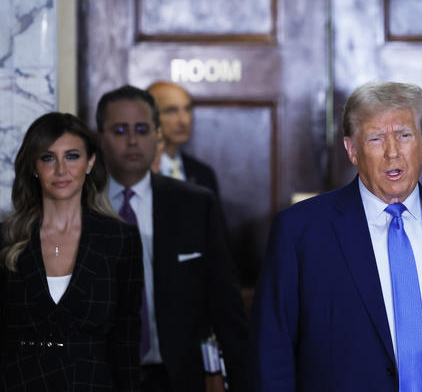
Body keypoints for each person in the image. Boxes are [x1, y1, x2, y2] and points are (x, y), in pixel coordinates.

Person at [252, 81, 422, 391]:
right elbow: (271, 353)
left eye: (404, 135)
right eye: (376, 139)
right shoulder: (300, 231)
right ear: (352, 150)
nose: (393, 153)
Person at [96, 86, 251, 392]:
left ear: (157, 135)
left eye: (141, 129)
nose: (131, 140)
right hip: (98, 377)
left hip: (176, 378)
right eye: (119, 130)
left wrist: (245, 380)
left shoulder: (194, 204)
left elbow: (226, 306)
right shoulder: (81, 202)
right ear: (101, 137)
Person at [0, 112, 143, 391]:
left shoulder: (120, 239)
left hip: (91, 383)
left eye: (72, 156)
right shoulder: (5, 237)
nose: (61, 170)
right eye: (48, 157)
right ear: (33, 166)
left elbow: (125, 337)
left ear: (90, 162)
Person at [146, 81, 219, 197]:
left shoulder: (203, 174)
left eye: (187, 109)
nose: (184, 120)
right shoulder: (135, 174)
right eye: (171, 111)